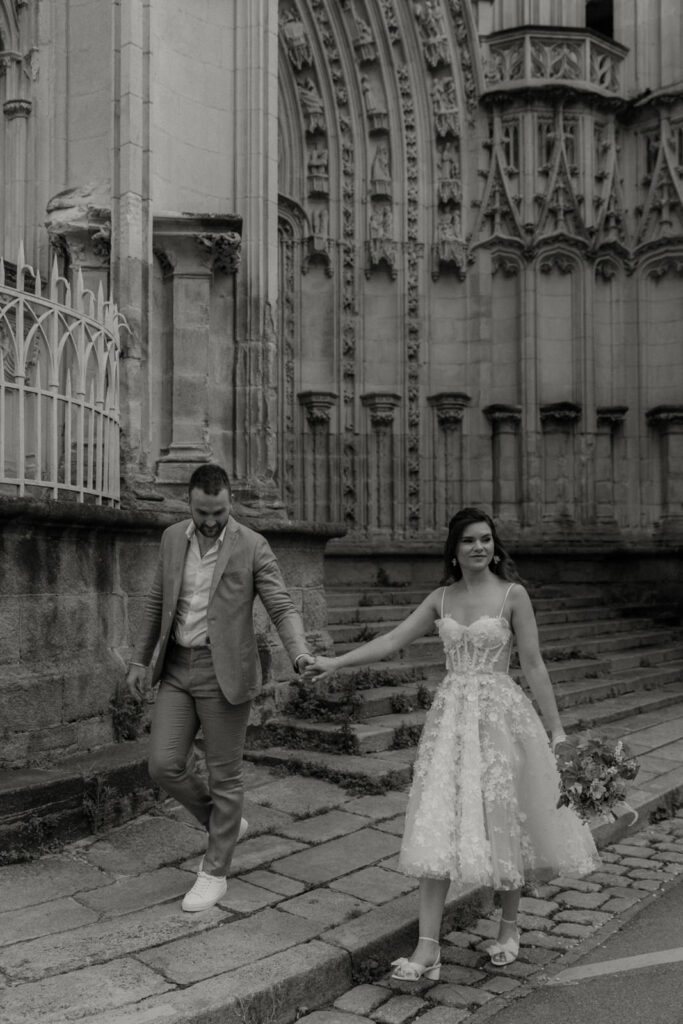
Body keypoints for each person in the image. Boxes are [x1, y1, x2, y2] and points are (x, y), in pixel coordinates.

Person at [304, 507, 600, 977]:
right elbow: (392, 640)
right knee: (437, 820)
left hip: (501, 716)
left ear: (494, 546)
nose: (479, 547)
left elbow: (534, 664)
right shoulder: (441, 599)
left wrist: (557, 729)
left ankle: (508, 925)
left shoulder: (513, 596)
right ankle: (427, 948)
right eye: (469, 541)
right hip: (452, 721)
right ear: (455, 549)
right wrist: (333, 662)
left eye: (486, 539)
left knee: (505, 815)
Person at [124, 463, 313, 912]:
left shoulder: (252, 545)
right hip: (176, 667)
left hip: (224, 671)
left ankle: (214, 872)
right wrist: (138, 658)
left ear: (231, 502)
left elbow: (281, 604)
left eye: (220, 512)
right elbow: (156, 601)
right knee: (163, 764)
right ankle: (225, 826)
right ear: (188, 503)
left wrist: (301, 653)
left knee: (224, 775)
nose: (211, 521)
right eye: (202, 512)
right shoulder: (173, 538)